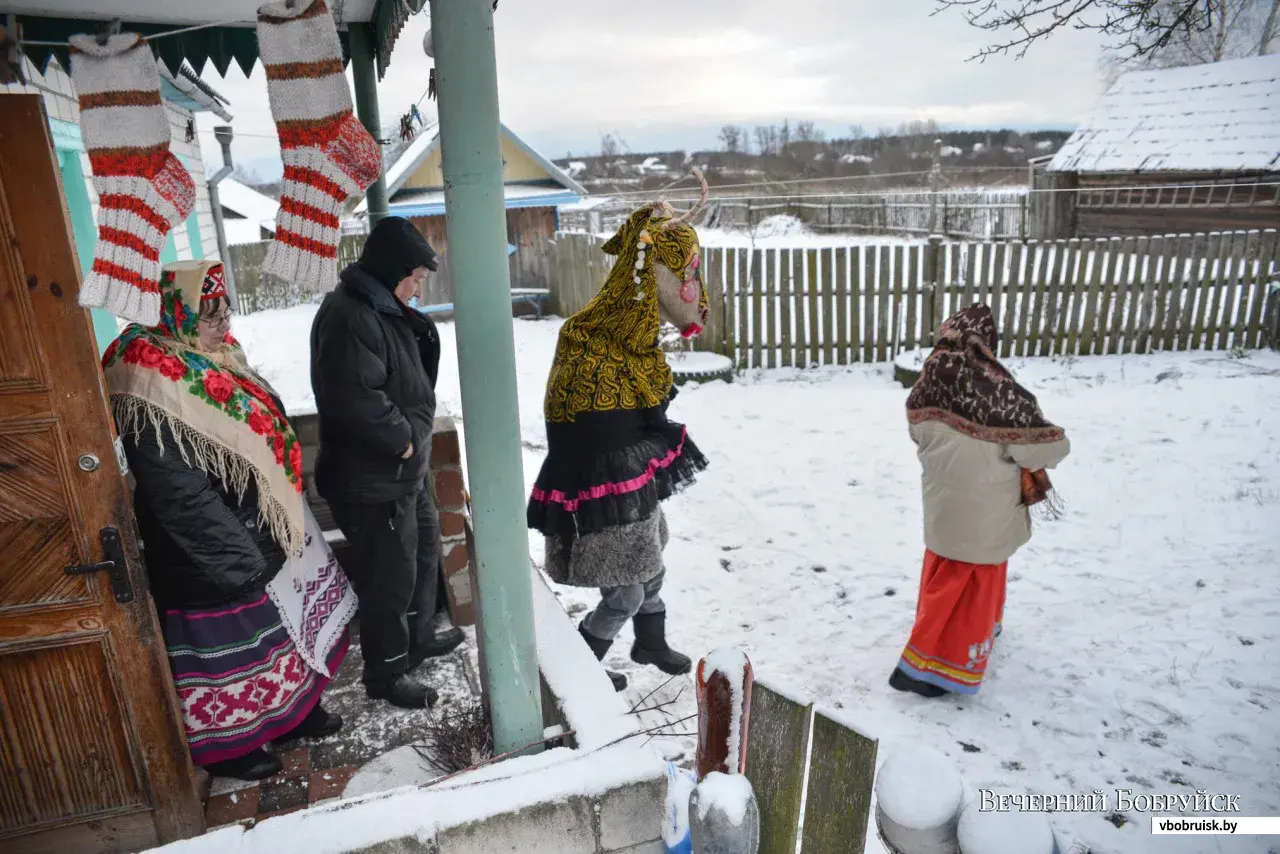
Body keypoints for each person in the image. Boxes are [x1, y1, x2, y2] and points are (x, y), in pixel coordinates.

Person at [103, 261, 351, 781]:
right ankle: (230, 747)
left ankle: (290, 718)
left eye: (225, 311)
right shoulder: (150, 381)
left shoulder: (210, 361)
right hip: (206, 549)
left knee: (276, 639)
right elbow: (179, 494)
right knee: (226, 654)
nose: (223, 325)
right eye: (210, 314)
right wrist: (236, 557)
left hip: (253, 530)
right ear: (176, 314)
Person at [527, 173, 712, 692]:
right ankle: (581, 670)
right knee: (625, 593)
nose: (695, 293)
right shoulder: (585, 342)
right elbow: (578, 425)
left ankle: (650, 642)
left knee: (651, 569)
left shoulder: (638, 346)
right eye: (687, 276)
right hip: (600, 490)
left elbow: (646, 407)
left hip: (633, 478)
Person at [310, 216, 464, 710]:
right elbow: (354, 397)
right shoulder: (350, 315)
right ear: (392, 268)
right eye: (415, 278)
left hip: (402, 473)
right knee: (387, 579)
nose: (419, 288)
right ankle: (386, 673)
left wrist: (410, 450)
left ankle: (417, 639)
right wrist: (402, 440)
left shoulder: (381, 307)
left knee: (421, 559)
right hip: (373, 479)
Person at [890, 303, 1070, 698]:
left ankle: (927, 656)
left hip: (942, 512)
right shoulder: (1001, 394)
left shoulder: (927, 381)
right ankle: (940, 672)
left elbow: (921, 437)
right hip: (987, 520)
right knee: (973, 591)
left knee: (943, 582)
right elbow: (1048, 449)